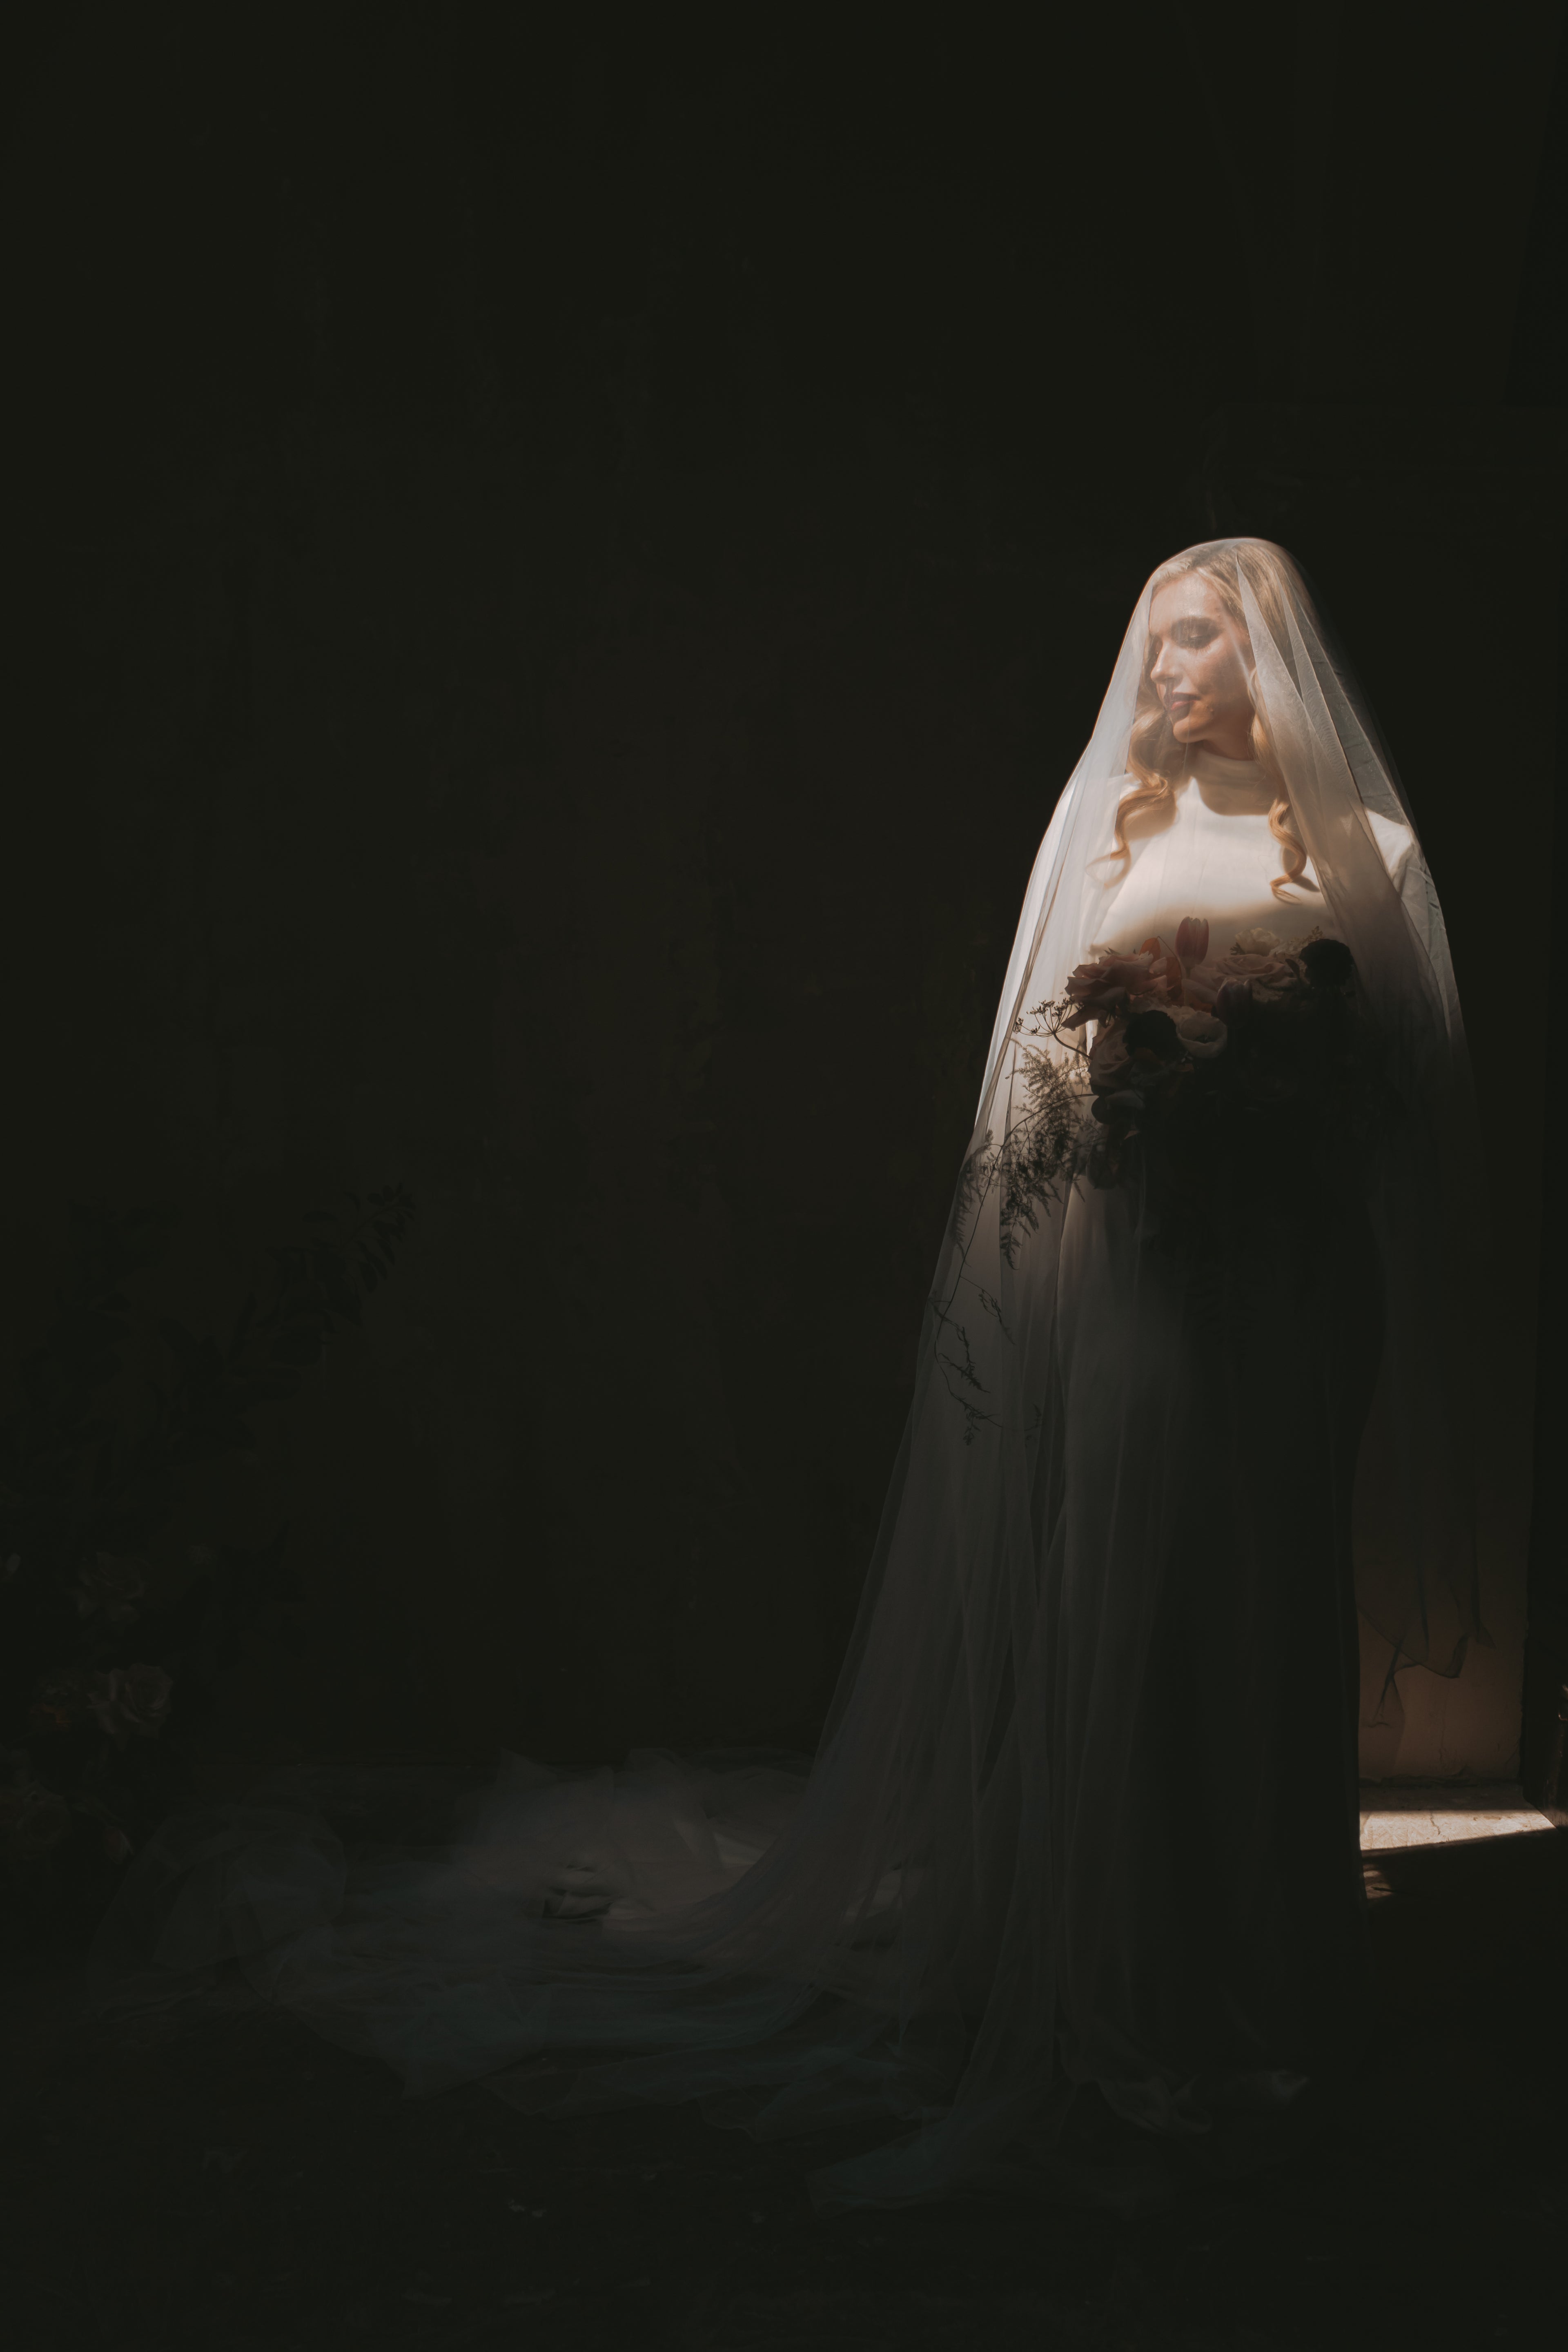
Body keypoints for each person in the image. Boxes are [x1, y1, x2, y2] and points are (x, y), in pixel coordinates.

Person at [96, 538, 1483, 2212]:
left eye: (1196, 643)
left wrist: (1265, 1101)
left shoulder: (1377, 854)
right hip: (1141, 1286)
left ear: (1270, 664)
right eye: (1158, 646)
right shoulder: (1109, 848)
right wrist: (1135, 1129)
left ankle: (1264, 1975)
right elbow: (1036, 1102)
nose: (1166, 673)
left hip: (1288, 1289)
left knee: (1265, 1597)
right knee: (1139, 1598)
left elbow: (1409, 1101)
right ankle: (1138, 1970)